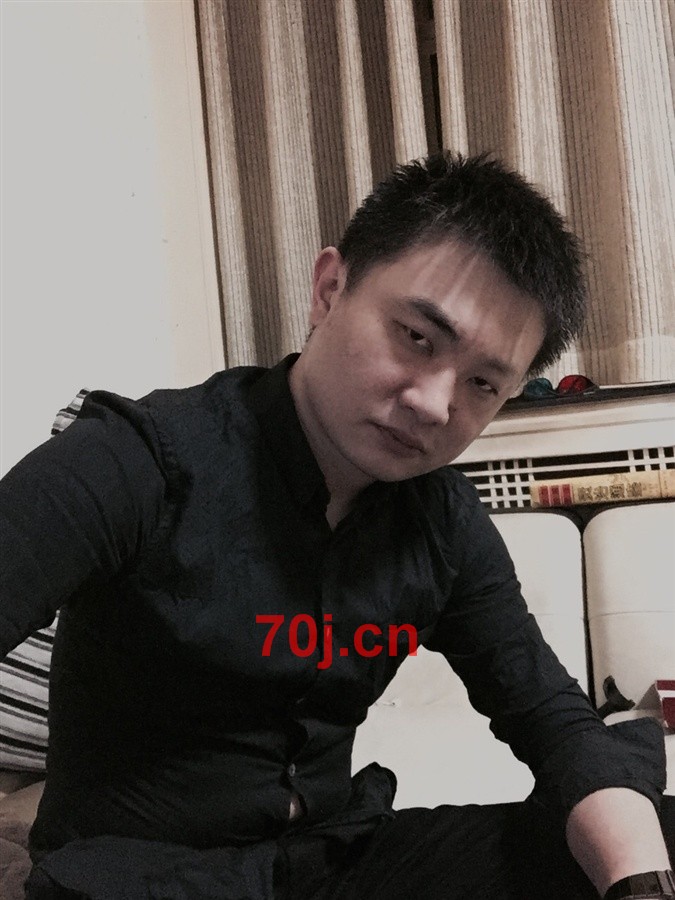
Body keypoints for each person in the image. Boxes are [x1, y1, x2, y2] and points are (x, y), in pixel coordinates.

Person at [0, 151, 672, 899]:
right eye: (416, 337)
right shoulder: (139, 461)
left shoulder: (441, 522)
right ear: (328, 289)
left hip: (324, 864)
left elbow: (553, 721)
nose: (433, 403)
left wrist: (638, 886)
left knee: (641, 837)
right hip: (132, 881)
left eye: (483, 383)